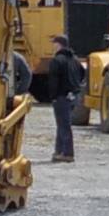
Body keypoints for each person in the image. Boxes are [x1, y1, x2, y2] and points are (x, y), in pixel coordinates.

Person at [46, 34, 79, 163]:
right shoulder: (74, 60)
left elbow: (53, 81)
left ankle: (67, 153)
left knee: (64, 126)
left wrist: (53, 96)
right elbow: (82, 73)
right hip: (73, 96)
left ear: (58, 44)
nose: (53, 46)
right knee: (63, 124)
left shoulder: (57, 60)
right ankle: (59, 151)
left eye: (54, 43)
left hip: (61, 97)